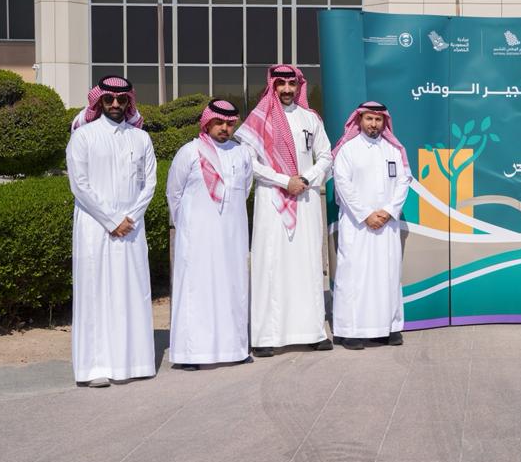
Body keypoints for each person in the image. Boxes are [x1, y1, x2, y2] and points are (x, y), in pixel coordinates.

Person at [235, 64, 334, 357]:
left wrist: (306, 178)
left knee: (308, 263)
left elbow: (326, 155)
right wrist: (284, 181)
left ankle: (313, 332)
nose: (287, 89)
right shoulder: (258, 119)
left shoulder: (310, 118)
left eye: (292, 84)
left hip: (305, 198)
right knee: (271, 263)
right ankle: (266, 336)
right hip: (272, 199)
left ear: (299, 86)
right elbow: (249, 162)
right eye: (281, 84)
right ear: (273, 86)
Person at [66, 75, 158, 387]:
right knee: (95, 294)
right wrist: (111, 219)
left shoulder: (141, 138)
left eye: (121, 99)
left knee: (131, 292)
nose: (115, 104)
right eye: (109, 99)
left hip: (131, 227)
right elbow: (79, 185)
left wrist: (129, 217)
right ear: (99, 101)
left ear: (129, 101)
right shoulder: (83, 137)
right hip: (95, 227)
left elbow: (149, 183)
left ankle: (135, 362)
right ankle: (95, 368)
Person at [165, 99, 254, 371]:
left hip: (232, 237)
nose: (224, 128)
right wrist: (188, 226)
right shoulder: (189, 152)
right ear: (207, 122)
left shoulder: (242, 153)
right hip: (197, 238)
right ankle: (191, 354)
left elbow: (245, 189)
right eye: (219, 123)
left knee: (232, 288)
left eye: (229, 124)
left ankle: (234, 349)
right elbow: (174, 193)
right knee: (196, 291)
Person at [331, 102, 413, 349]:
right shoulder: (348, 150)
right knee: (354, 276)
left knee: (387, 275)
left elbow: (404, 181)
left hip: (387, 225)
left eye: (378, 119)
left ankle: (388, 328)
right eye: (369, 119)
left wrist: (388, 211)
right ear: (359, 120)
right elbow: (343, 184)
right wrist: (366, 214)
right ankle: (351, 331)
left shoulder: (394, 150)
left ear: (384, 122)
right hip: (357, 225)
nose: (373, 124)